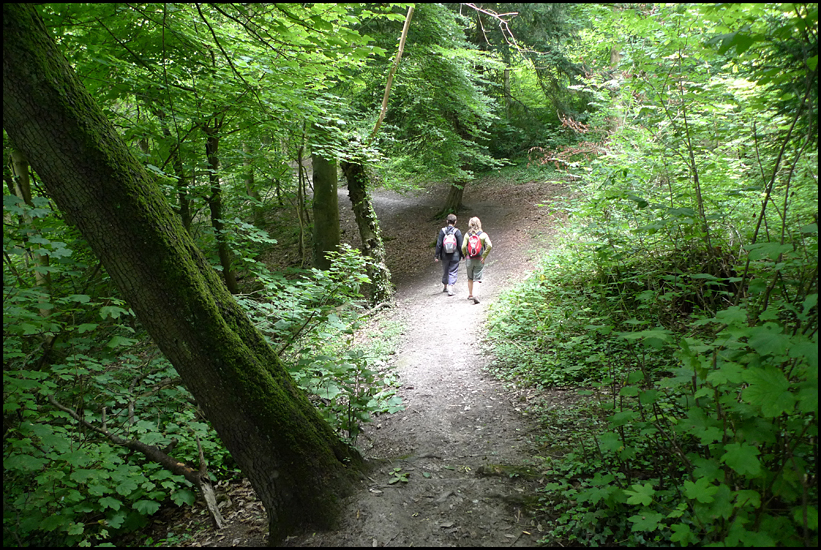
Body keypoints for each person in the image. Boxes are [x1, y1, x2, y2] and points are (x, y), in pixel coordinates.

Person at [461, 216, 492, 304]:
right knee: (477, 278)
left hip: (469, 259)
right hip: (479, 259)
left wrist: (465, 254)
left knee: (470, 277)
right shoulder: (483, 235)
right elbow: (489, 245)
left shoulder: (467, 235)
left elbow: (463, 246)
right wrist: (484, 256)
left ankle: (470, 294)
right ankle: (475, 294)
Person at [434, 213, 463, 296]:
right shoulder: (457, 232)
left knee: (446, 270)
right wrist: (463, 255)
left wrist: (436, 255)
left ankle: (445, 286)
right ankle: (450, 288)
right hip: (455, 255)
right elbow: (460, 245)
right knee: (453, 271)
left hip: (444, 255)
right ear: (455, 222)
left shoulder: (442, 231)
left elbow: (439, 244)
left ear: (447, 221)